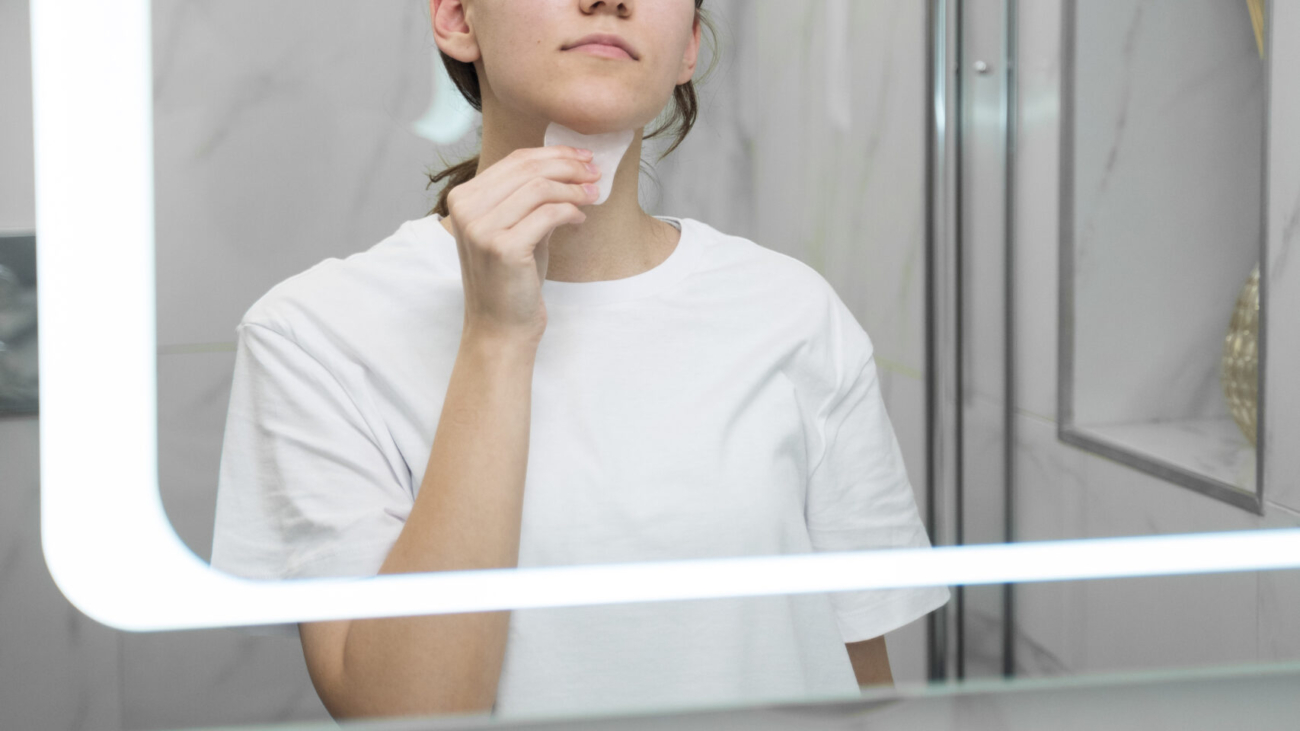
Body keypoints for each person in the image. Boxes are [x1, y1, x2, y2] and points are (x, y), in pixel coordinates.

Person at [209, 0, 949, 721]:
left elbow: (861, 679)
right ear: (458, 20)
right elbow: (406, 713)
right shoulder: (314, 334)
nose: (609, 1)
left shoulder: (792, 311)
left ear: (688, 43)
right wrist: (496, 338)